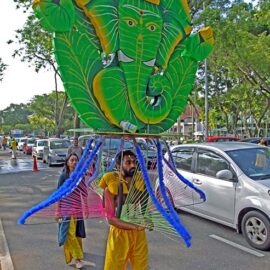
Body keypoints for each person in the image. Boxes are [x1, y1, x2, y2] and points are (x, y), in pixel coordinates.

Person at [99, 150, 148, 270]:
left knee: (141, 266)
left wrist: (147, 219)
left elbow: (144, 208)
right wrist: (134, 227)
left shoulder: (140, 184)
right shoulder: (110, 188)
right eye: (128, 162)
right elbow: (111, 219)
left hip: (139, 234)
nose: (133, 165)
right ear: (118, 166)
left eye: (134, 162)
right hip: (119, 234)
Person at [56, 153, 86, 269]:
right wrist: (57, 212)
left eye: (76, 160)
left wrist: (86, 208)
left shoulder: (79, 176)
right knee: (69, 233)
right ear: (67, 162)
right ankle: (78, 258)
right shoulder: (64, 176)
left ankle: (76, 252)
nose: (74, 162)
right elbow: (58, 195)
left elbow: (83, 193)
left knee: (77, 233)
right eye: (72, 160)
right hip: (66, 209)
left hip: (77, 209)